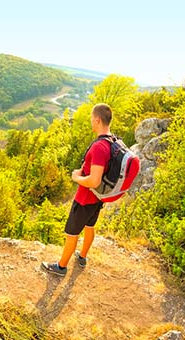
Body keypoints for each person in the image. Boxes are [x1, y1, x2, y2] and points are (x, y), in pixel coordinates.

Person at [42, 103, 113, 276]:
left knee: (72, 233)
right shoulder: (112, 141)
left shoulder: (99, 146)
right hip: (98, 198)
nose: (90, 121)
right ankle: (82, 257)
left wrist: (76, 178)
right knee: (90, 226)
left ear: (97, 120)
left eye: (91, 118)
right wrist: (83, 170)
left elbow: (94, 180)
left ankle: (61, 267)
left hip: (85, 198)